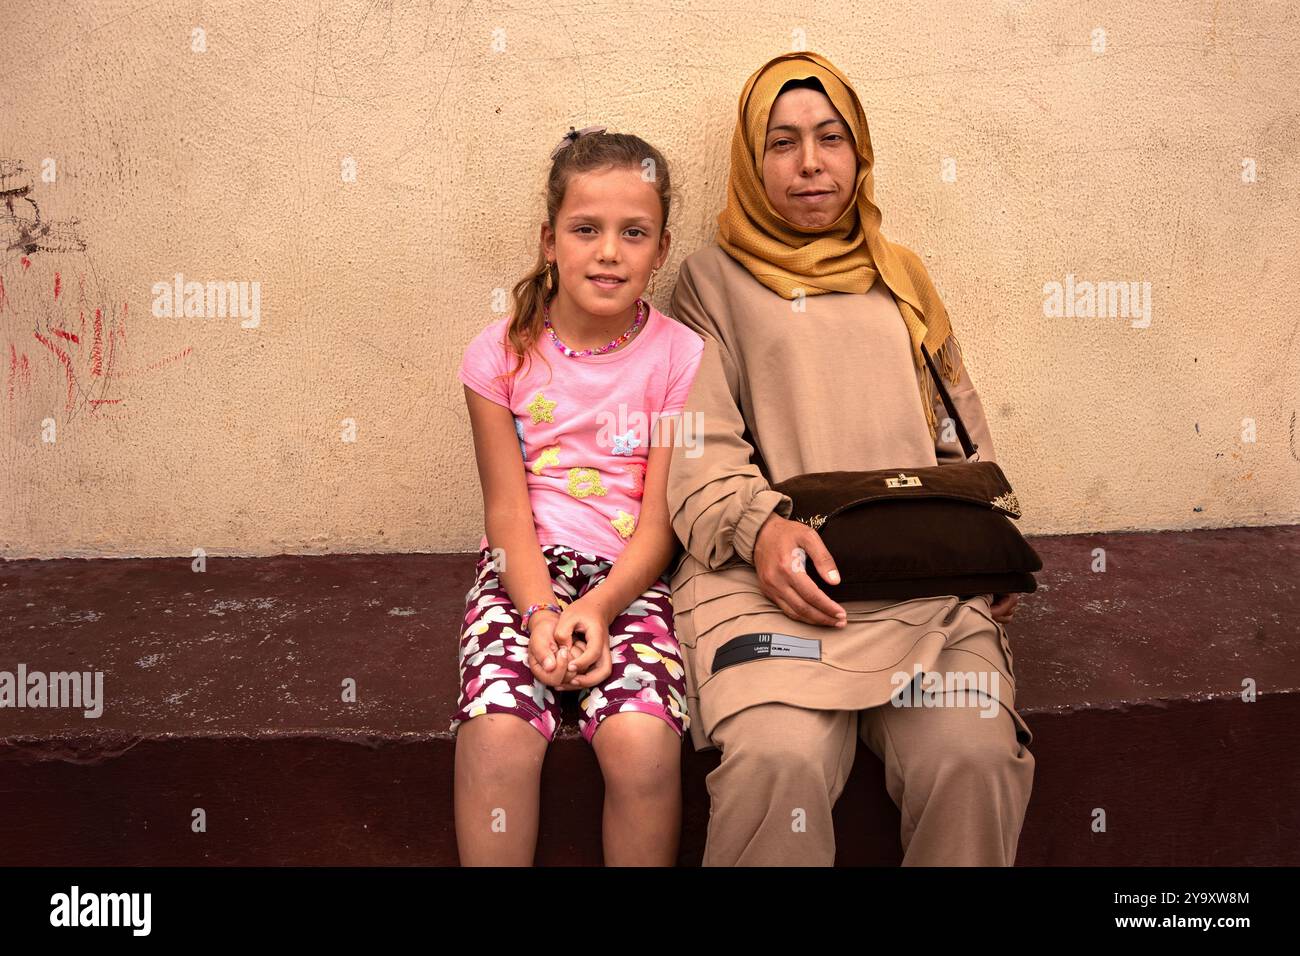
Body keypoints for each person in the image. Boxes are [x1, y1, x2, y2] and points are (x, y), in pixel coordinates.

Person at [665, 51, 1036, 866]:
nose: (809, 164)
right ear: (750, 160)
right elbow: (700, 449)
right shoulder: (708, 283)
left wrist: (988, 537)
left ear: (858, 152)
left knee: (971, 758)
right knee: (776, 761)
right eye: (782, 142)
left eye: (831, 138)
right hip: (770, 589)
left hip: (920, 586)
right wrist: (761, 532)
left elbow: (959, 433)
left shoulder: (901, 276)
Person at [451, 127, 705, 866]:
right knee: (497, 736)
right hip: (522, 573)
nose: (608, 252)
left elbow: (662, 522)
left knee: (644, 745)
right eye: (585, 229)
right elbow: (506, 512)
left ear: (660, 251)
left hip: (633, 581)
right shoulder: (496, 356)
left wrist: (598, 608)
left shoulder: (681, 358)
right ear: (549, 241)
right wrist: (539, 613)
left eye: (634, 233)